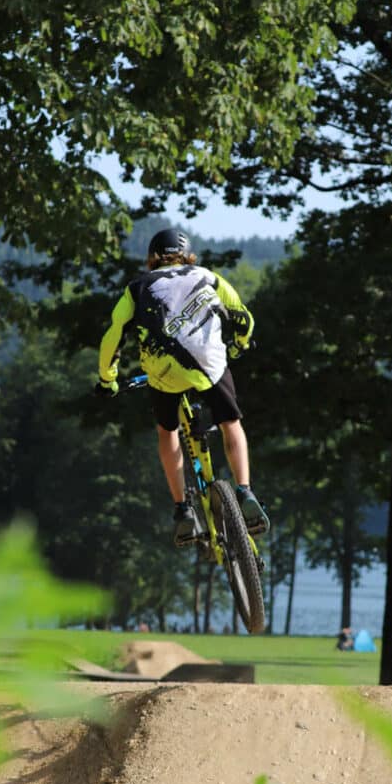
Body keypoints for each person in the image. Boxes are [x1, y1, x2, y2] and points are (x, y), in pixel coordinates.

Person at [96, 227, 269, 546]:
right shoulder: (207, 276)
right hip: (208, 363)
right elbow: (242, 317)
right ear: (187, 254)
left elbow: (114, 335)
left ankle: (183, 510)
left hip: (163, 370)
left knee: (168, 432)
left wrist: (107, 379)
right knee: (231, 422)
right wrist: (240, 344)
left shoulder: (137, 288)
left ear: (152, 257)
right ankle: (245, 491)